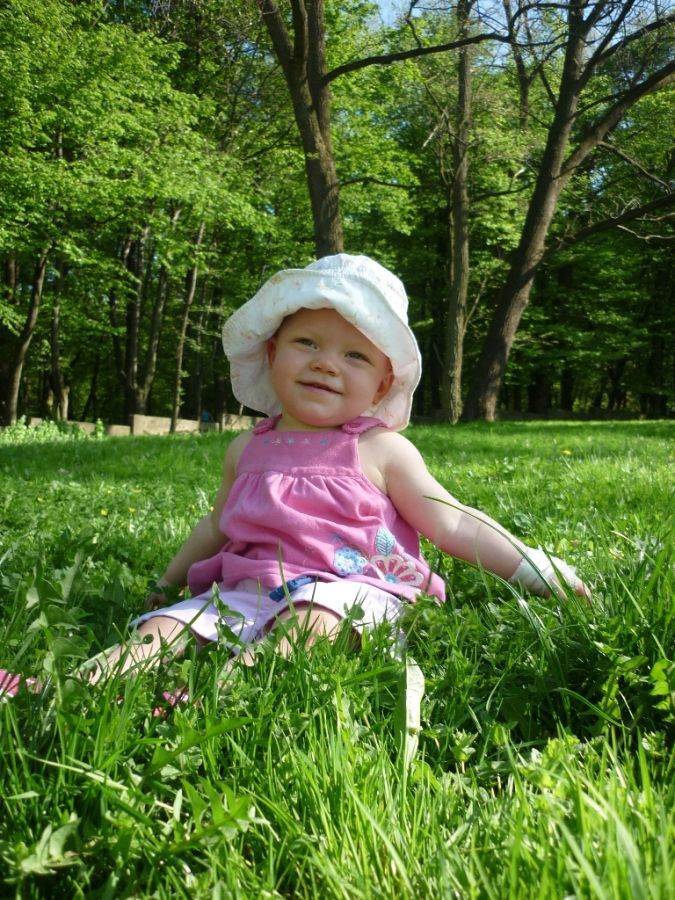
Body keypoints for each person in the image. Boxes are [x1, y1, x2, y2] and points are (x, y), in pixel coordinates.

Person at [0, 254, 589, 702]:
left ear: (382, 383)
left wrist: (537, 569)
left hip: (351, 592)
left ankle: (220, 698)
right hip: (247, 591)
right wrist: (167, 581)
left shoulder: (381, 450)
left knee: (309, 624)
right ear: (273, 353)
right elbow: (216, 525)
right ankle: (70, 688)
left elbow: (452, 521)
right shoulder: (245, 448)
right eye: (307, 343)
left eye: (355, 356)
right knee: (162, 629)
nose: (326, 363)